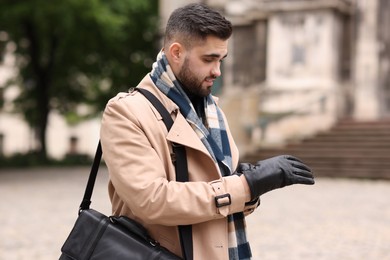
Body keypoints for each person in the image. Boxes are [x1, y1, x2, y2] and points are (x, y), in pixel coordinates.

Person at [100, 3, 314, 260]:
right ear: (176, 52)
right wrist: (246, 185)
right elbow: (152, 200)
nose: (217, 71)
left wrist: (253, 186)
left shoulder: (211, 110)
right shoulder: (127, 112)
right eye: (209, 59)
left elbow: (221, 197)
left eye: (221, 60)